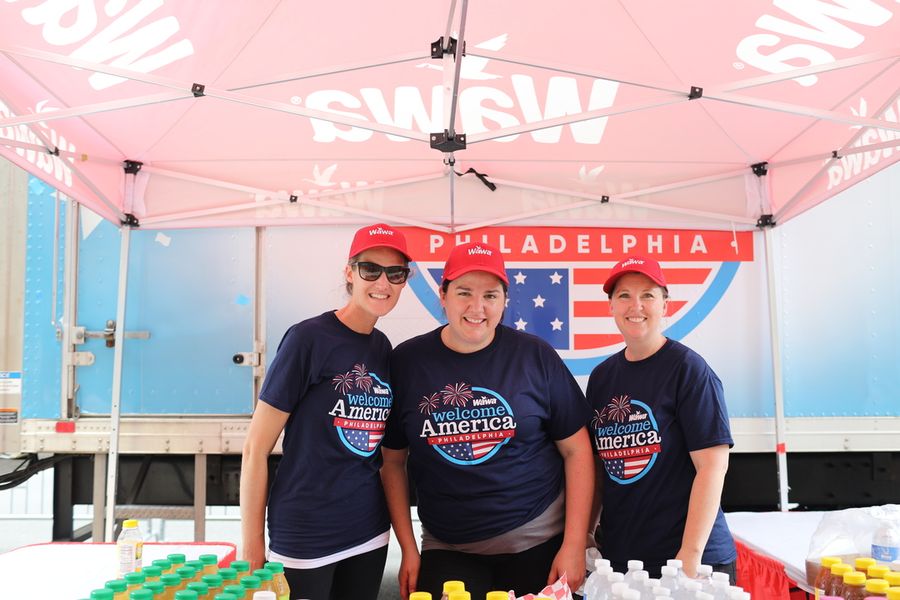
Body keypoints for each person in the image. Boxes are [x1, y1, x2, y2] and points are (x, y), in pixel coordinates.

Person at [381, 241, 594, 600]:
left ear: (505, 301)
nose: (476, 308)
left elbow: (578, 452)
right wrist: (408, 548)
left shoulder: (535, 356)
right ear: (443, 295)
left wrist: (573, 545)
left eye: (490, 296)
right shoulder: (408, 362)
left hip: (541, 544)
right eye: (464, 292)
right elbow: (392, 463)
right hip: (449, 549)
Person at [240, 223, 412, 600]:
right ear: (349, 273)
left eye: (395, 273)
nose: (382, 281)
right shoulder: (308, 339)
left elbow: (382, 455)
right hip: (305, 532)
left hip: (368, 530)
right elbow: (255, 448)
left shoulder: (382, 348)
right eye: (370, 269)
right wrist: (252, 545)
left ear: (403, 281)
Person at [586, 255, 737, 580]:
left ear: (665, 305)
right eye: (624, 295)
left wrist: (690, 554)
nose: (635, 305)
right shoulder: (601, 378)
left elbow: (712, 466)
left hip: (688, 563)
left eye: (648, 296)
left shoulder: (688, 370)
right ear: (611, 306)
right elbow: (601, 469)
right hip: (623, 562)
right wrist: (587, 533)